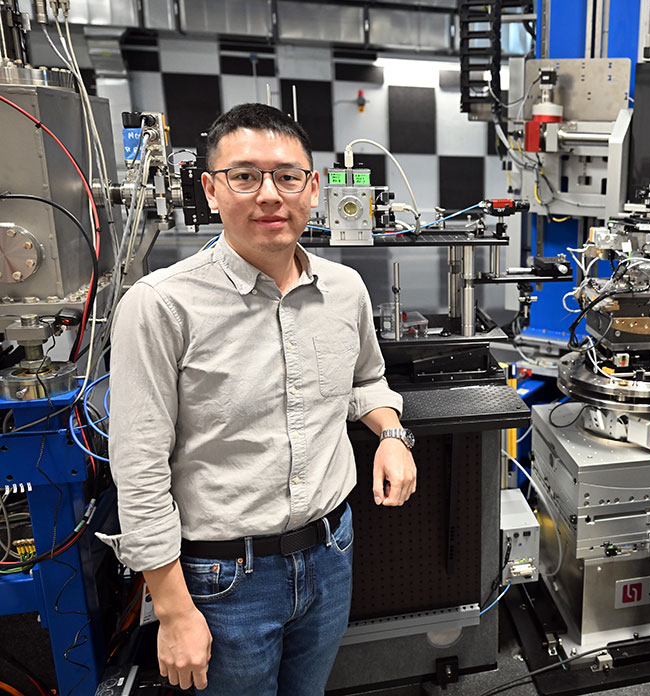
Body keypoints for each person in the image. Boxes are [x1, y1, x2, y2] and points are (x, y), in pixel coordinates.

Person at [99, 103, 417, 694]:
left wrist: (392, 434)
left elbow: (367, 379)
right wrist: (172, 609)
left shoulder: (344, 288)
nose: (269, 194)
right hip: (223, 578)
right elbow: (139, 469)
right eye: (244, 176)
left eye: (287, 176)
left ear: (313, 188)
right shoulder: (160, 304)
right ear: (211, 189)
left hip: (331, 552)